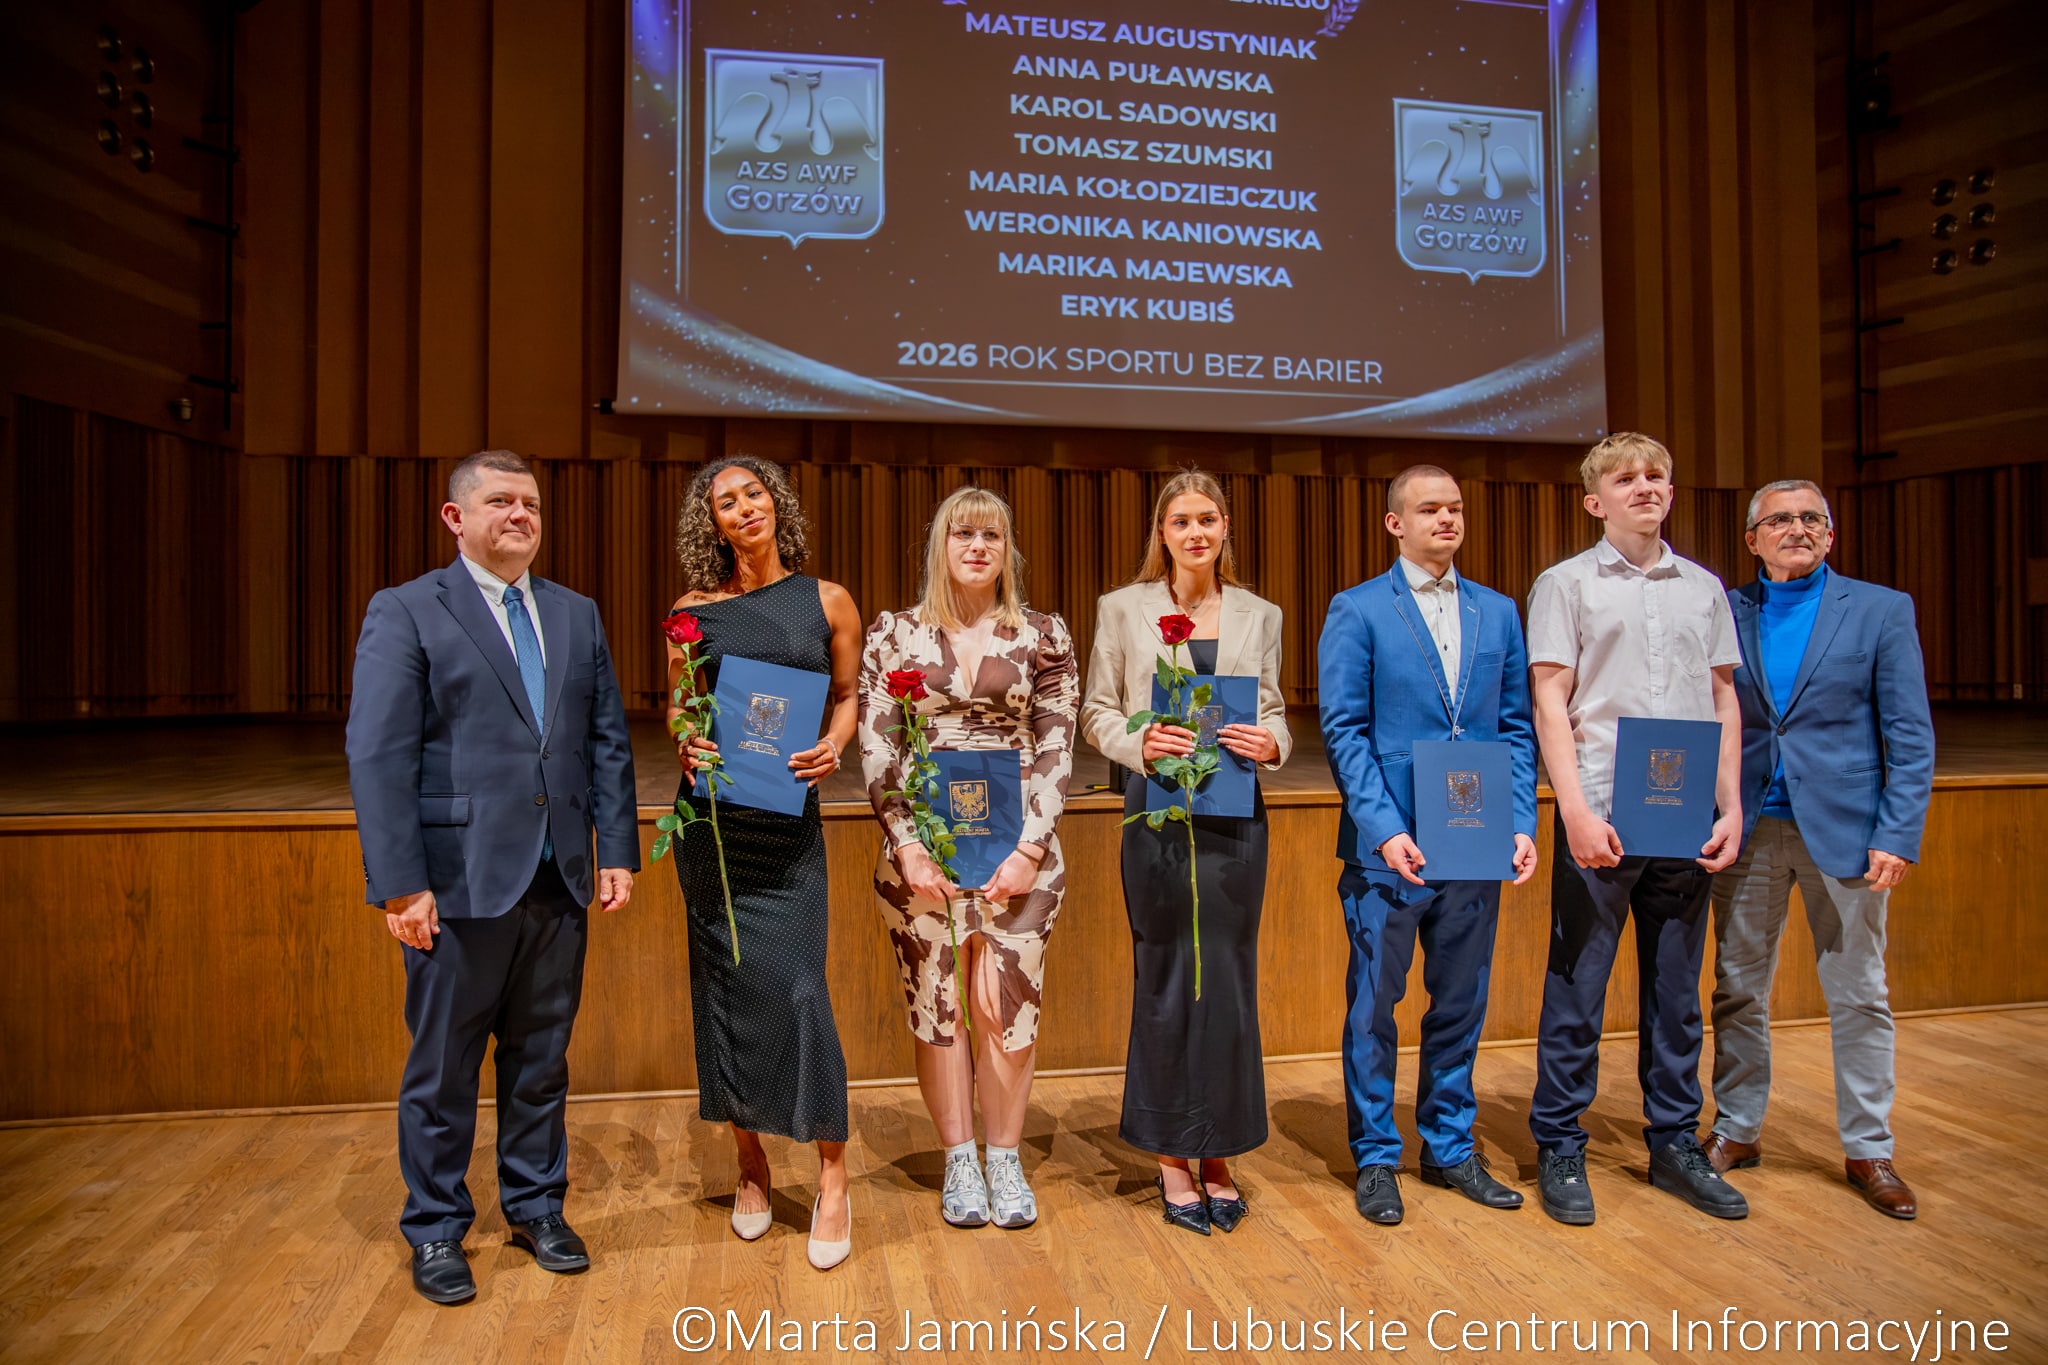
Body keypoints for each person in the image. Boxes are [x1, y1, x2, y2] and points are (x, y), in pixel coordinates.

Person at [346, 449, 638, 1305]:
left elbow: (607, 739)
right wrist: (401, 883)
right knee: (444, 1068)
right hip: (457, 880)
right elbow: (378, 754)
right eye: (501, 501)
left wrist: (616, 848)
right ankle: (437, 1225)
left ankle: (537, 1206)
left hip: (559, 874)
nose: (520, 515)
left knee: (542, 1058)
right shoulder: (407, 609)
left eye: (531, 504)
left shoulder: (576, 613)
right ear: (455, 517)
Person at [1524, 432, 1750, 1225]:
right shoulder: (1566, 584)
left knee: (1677, 993)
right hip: (1602, 810)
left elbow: (1722, 699)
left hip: (1686, 813)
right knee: (1578, 988)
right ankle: (1559, 1141)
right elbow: (1549, 701)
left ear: (1671, 492)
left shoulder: (1705, 588)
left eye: (1656, 475)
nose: (1645, 486)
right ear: (1596, 500)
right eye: (1626, 478)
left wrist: (1731, 806)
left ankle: (1675, 1142)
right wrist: (1574, 811)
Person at [1701, 479, 1935, 1219]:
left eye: (1812, 518)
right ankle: (1738, 1128)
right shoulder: (1723, 609)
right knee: (1739, 988)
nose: (1797, 528)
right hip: (1748, 829)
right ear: (1753, 539)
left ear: (1830, 534)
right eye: (1780, 520)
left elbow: (1910, 732)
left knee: (1859, 993)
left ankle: (1869, 1147)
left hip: (1847, 833)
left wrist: (1897, 831)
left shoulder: (1880, 609)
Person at [1318, 465, 1539, 1226]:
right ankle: (1377, 1156)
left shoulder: (1498, 611)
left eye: (1455, 508)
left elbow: (1514, 728)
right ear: (1395, 523)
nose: (1447, 519)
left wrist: (1520, 822)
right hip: (1391, 846)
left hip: (1475, 838)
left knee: (1462, 1003)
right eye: (1429, 509)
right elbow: (1344, 730)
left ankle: (1448, 1147)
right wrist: (1385, 828)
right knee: (1374, 1008)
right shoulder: (1357, 609)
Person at [857, 486, 1079, 1230]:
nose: (978, 547)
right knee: (939, 1002)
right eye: (963, 534)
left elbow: (1057, 744)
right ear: (940, 546)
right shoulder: (894, 634)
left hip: (1022, 853)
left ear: (1007, 549)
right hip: (922, 856)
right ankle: (959, 1157)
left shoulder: (1043, 635)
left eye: (991, 536)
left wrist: (1029, 849)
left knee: (1005, 1004)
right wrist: (909, 846)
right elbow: (878, 745)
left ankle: (1005, 1158)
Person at [1080, 469, 1290, 1236]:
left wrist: (1273, 742)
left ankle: (1220, 1151)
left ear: (1225, 526)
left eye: (1208, 518)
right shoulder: (1123, 608)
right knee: (1166, 973)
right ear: (1162, 533)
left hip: (1235, 814)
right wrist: (1139, 743)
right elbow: (1096, 710)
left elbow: (1273, 708)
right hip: (1159, 811)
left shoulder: (1260, 613)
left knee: (1228, 976)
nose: (1196, 532)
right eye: (1181, 521)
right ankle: (1173, 1154)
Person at [665, 455, 863, 1270]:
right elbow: (680, 707)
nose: (743, 507)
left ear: (776, 503)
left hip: (788, 828)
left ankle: (833, 1174)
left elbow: (848, 696)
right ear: (710, 523)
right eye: (725, 501)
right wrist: (688, 742)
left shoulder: (828, 600)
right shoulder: (692, 612)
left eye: (753, 493)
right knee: (729, 991)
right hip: (715, 828)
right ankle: (750, 1164)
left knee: (800, 988)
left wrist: (834, 746)